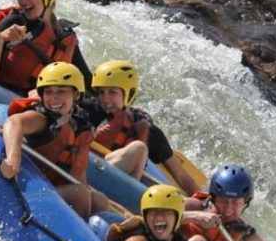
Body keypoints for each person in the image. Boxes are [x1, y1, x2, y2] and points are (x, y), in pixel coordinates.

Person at [0, 62, 112, 218]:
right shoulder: (43, 118)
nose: (54, 98)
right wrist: (13, 159)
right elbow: (13, 123)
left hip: (52, 189)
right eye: (49, 92)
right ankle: (77, 238)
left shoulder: (80, 125)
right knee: (79, 194)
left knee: (100, 200)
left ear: (76, 95)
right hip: (28, 189)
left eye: (61, 91)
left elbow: (78, 176)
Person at [84, 59, 200, 196]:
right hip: (88, 171)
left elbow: (181, 175)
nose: (105, 99)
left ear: (129, 94)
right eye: (101, 93)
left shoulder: (148, 131)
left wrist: (203, 199)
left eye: (112, 92)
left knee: (139, 148)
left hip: (120, 188)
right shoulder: (88, 109)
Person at [181, 164, 274, 241]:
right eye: (223, 200)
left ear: (245, 203)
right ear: (214, 197)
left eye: (236, 203)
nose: (228, 209)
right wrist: (193, 217)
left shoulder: (249, 240)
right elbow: (156, 216)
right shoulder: (194, 206)